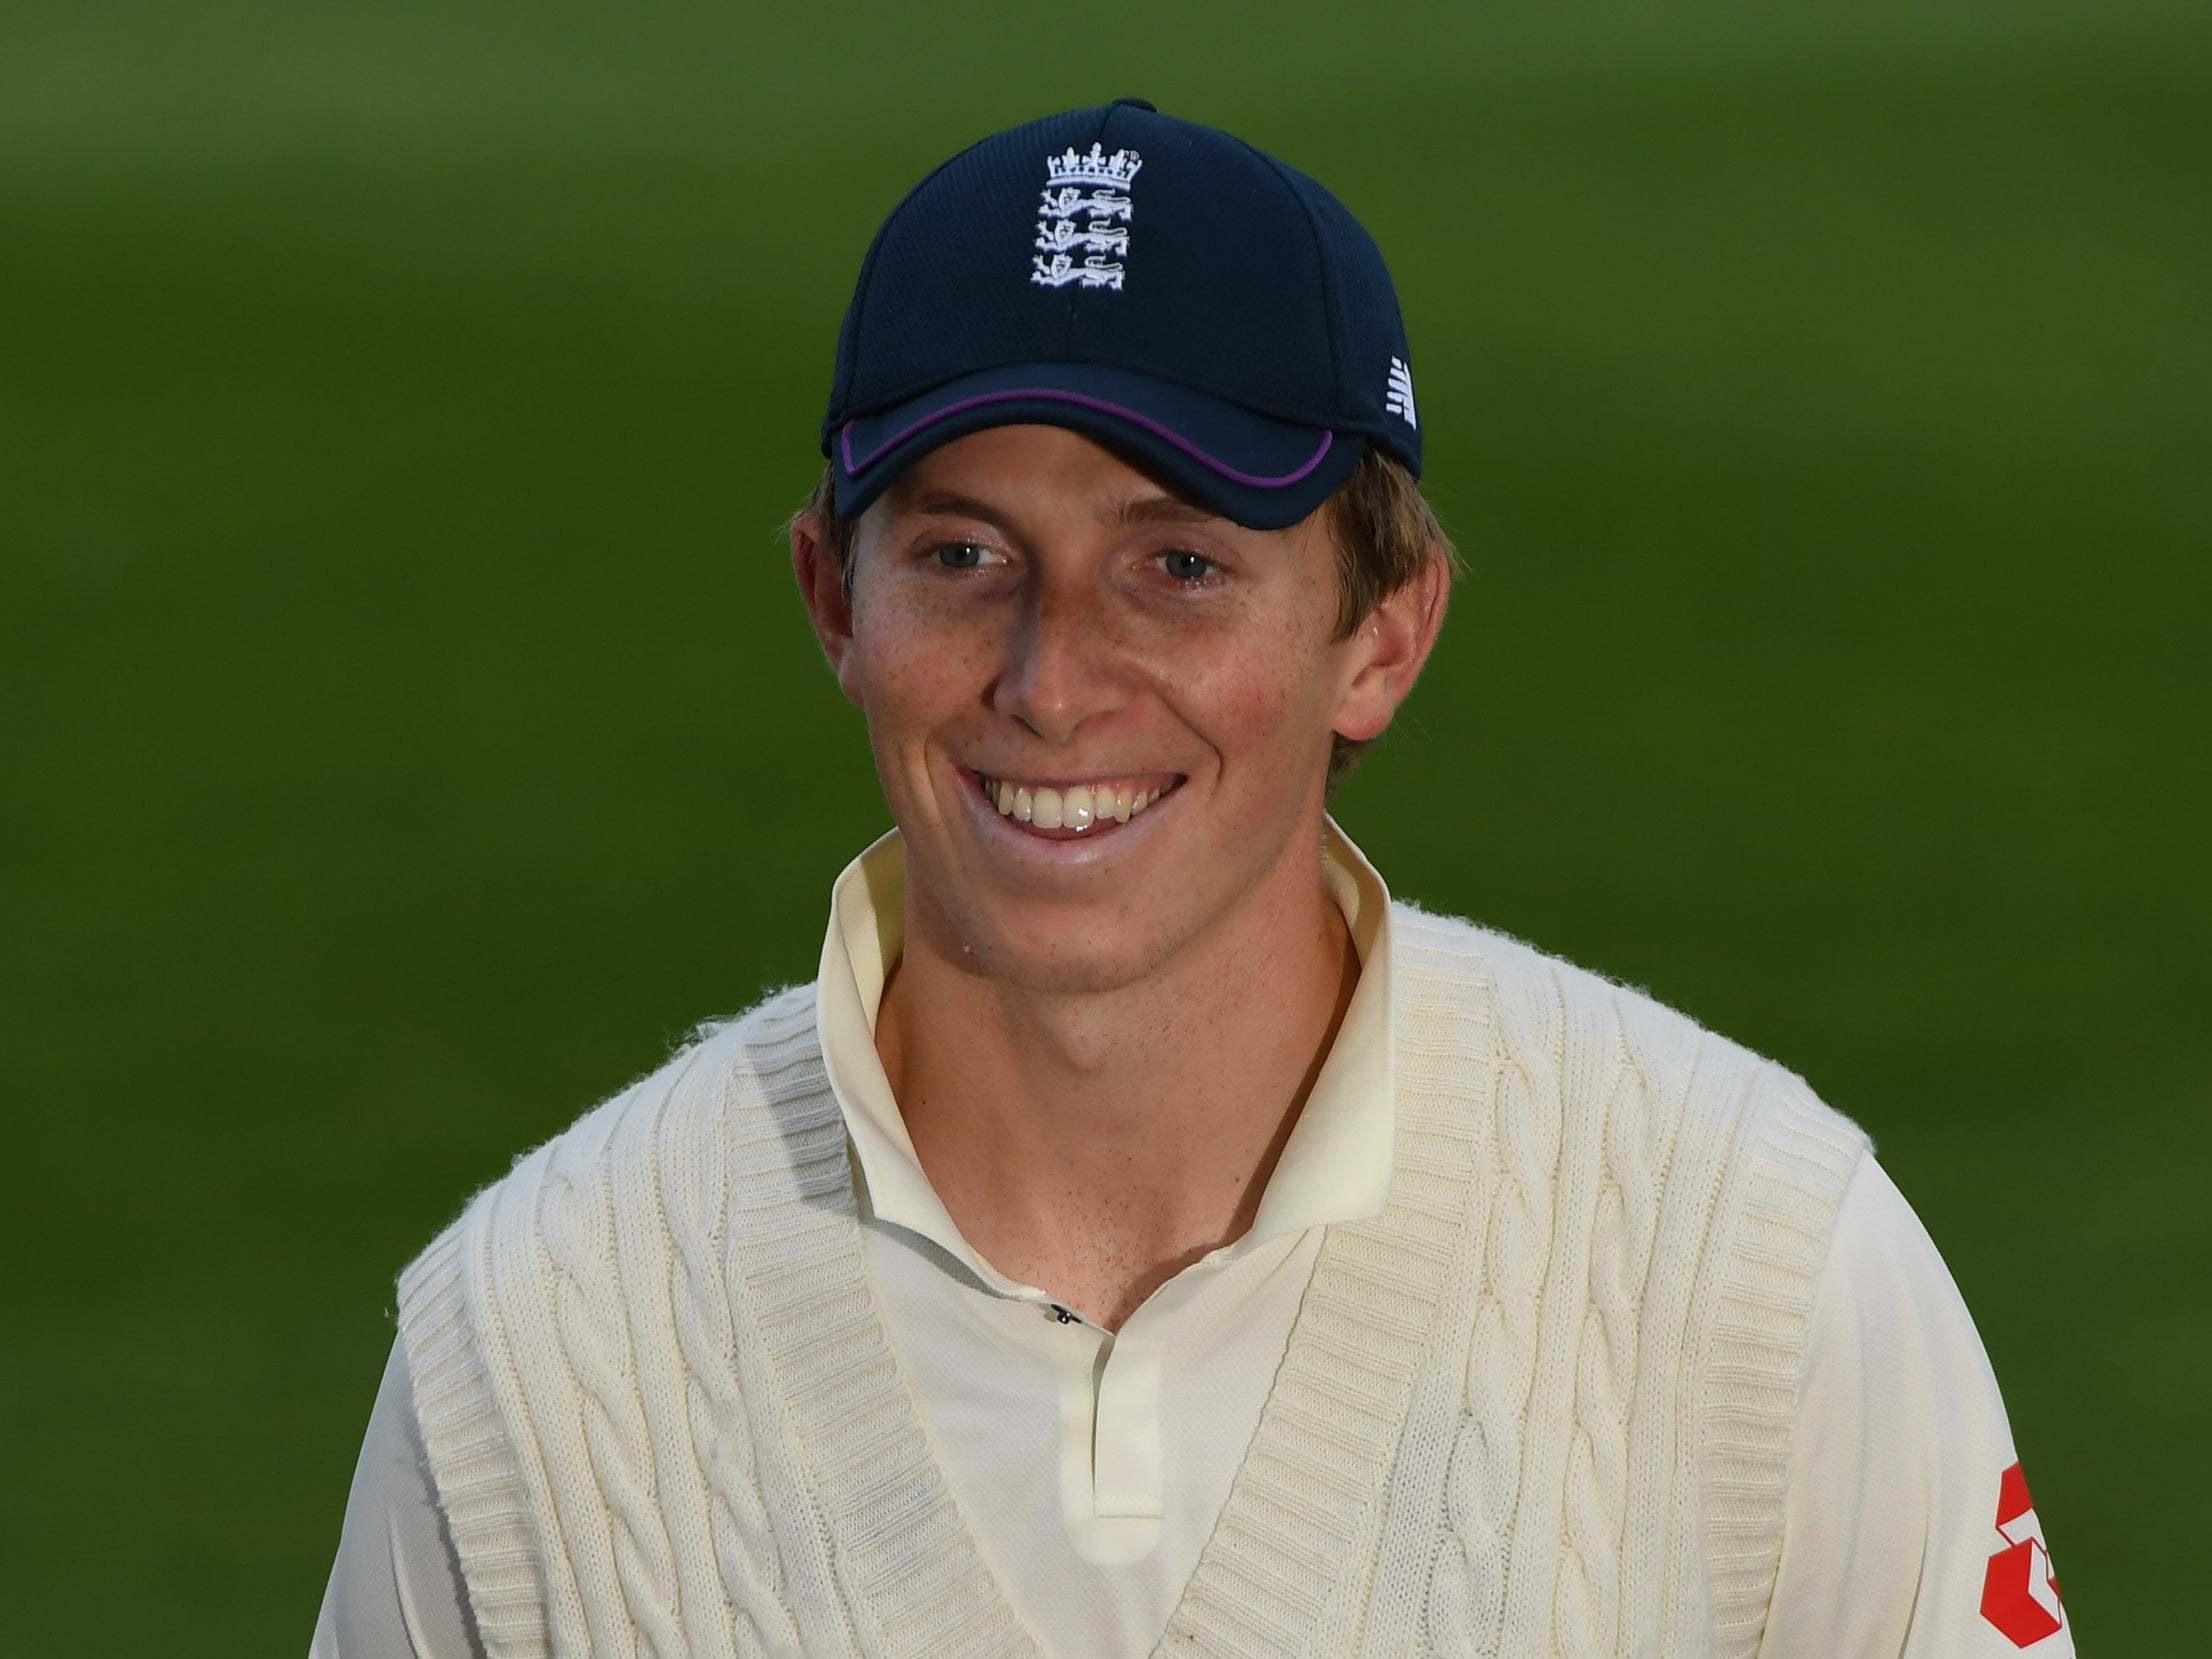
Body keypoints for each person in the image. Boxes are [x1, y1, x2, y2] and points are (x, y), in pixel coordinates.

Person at [313, 100, 2072, 1657]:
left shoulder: (1757, 1261)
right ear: (833, 603)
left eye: (1178, 563)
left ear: (1383, 636)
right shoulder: (536, 1347)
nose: (1051, 681)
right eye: (961, 553)